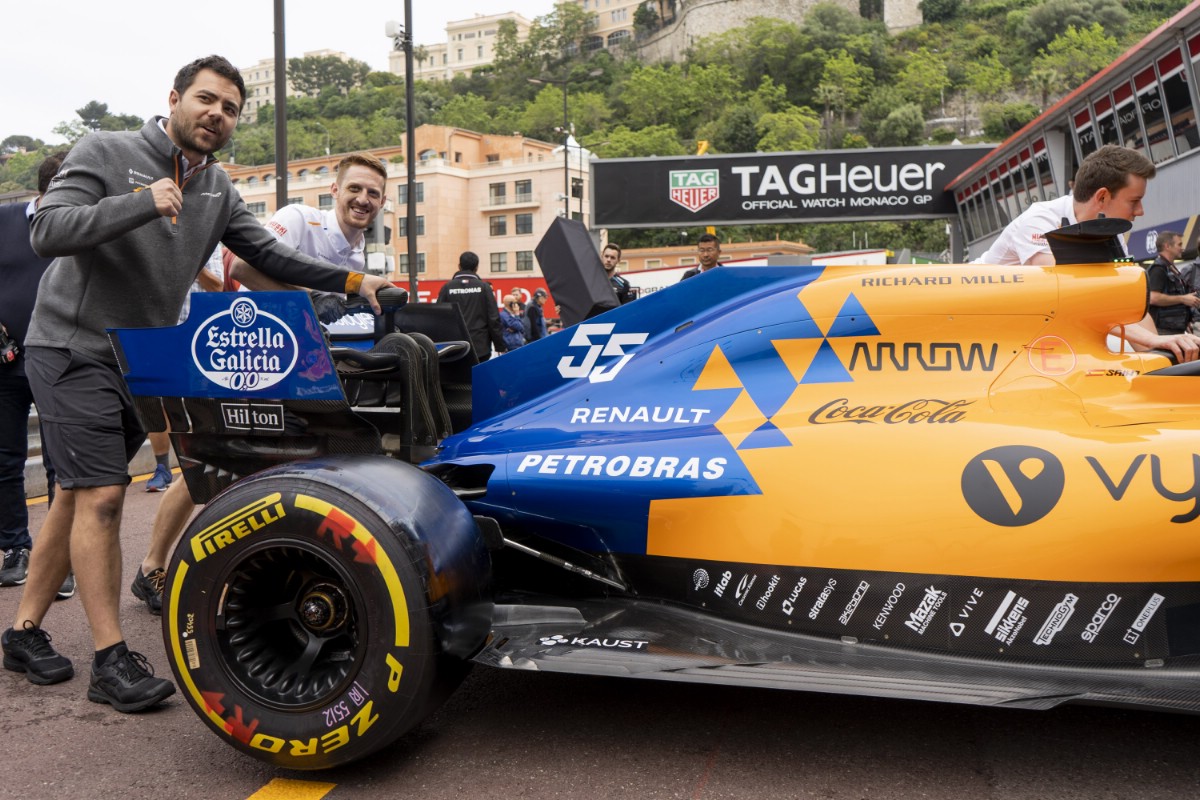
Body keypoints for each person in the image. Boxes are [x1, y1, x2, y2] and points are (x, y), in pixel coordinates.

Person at [1, 55, 392, 714]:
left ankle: (23, 632)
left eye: (230, 108)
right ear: (175, 98)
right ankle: (110, 659)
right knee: (102, 496)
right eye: (206, 99)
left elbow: (267, 256)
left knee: (74, 496)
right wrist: (140, 202)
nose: (217, 114)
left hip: (142, 357)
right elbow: (48, 231)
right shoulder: (106, 149)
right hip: (72, 345)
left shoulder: (216, 188)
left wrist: (356, 281)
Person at [129, 153, 389, 616]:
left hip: (289, 367)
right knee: (210, 460)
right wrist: (311, 298)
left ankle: (253, 569)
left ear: (383, 202)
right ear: (334, 190)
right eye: (355, 188)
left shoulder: (356, 252)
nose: (362, 199)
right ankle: (151, 566)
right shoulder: (300, 218)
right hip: (243, 355)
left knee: (271, 468)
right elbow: (242, 269)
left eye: (373, 193)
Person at [975, 144, 1200, 363]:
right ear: (1102, 197)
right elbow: (1066, 295)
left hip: (1029, 328)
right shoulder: (1039, 220)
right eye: (1134, 201)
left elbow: (1127, 304)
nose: (1140, 211)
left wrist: (1163, 354)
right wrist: (1152, 340)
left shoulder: (1112, 235)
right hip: (979, 324)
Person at [0, 152, 69, 599]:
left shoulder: (81, 227)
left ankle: (57, 557)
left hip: (63, 361)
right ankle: (15, 549)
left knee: (60, 464)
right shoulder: (4, 220)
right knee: (4, 461)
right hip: (6, 362)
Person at [437, 252, 506, 361]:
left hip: (454, 347)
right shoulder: (484, 287)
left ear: (459, 266)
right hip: (480, 347)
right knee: (479, 372)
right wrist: (499, 345)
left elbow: (439, 317)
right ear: (476, 267)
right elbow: (494, 319)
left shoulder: (447, 287)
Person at [1145, 231, 1197, 335]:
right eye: (1179, 244)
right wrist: (1183, 299)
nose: (1182, 248)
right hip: (1163, 331)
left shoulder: (1170, 268)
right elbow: (1153, 298)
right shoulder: (1158, 269)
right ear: (1167, 246)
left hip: (1173, 330)